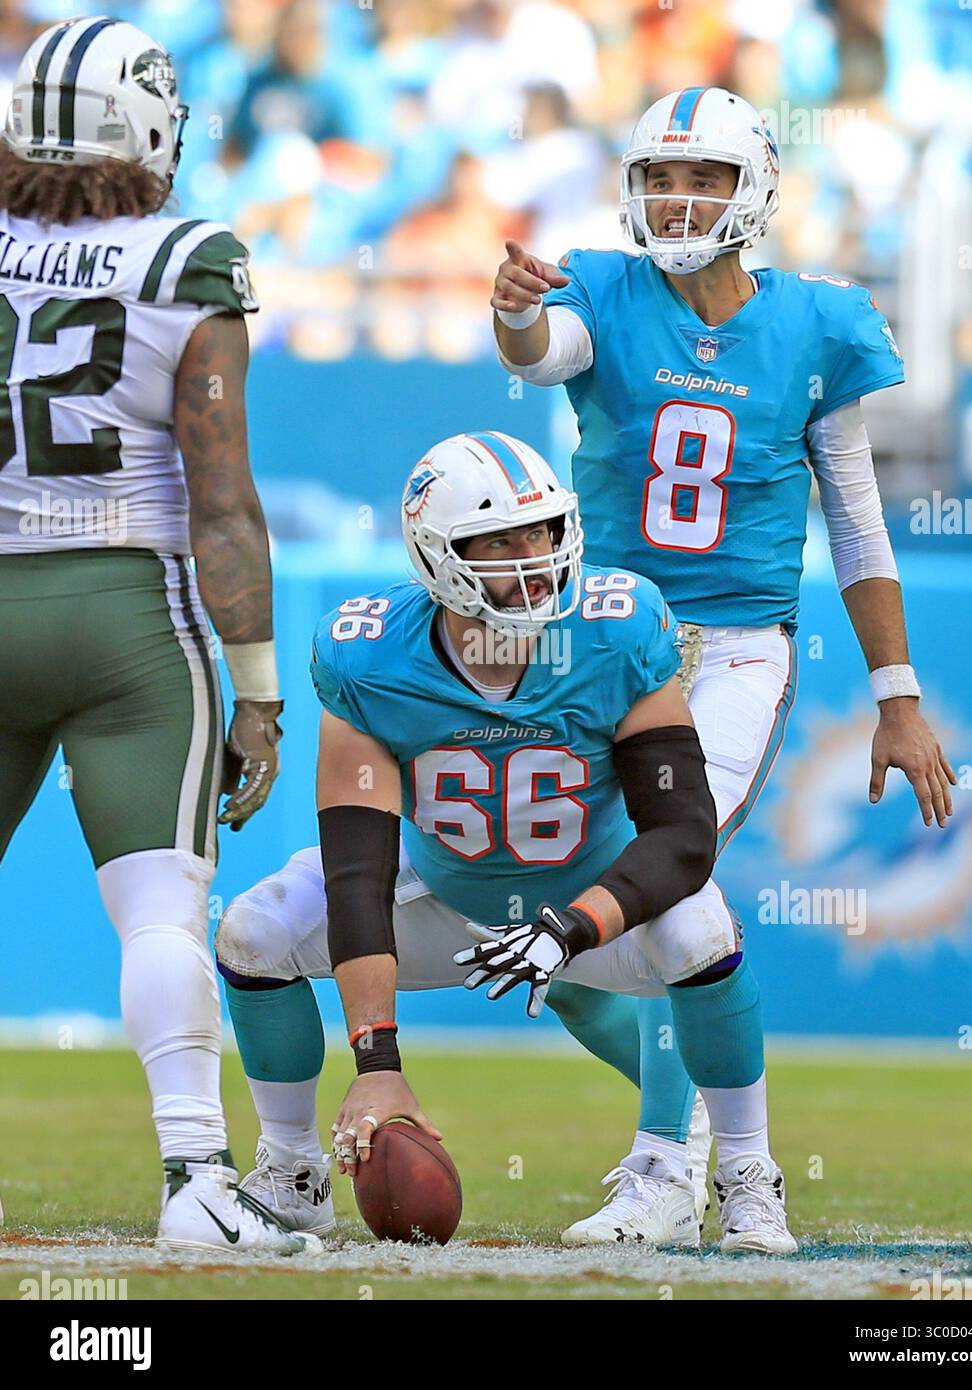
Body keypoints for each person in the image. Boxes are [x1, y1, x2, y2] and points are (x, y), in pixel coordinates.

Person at [491, 85, 955, 1245]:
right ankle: (694, 1135)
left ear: (751, 191)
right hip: (597, 640)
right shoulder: (602, 287)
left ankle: (677, 1165)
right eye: (657, 177)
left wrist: (896, 696)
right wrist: (509, 315)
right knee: (556, 929)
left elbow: (854, 523)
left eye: (699, 176)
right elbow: (542, 352)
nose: (676, 197)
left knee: (664, 873)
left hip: (734, 649)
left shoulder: (814, 322)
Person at [215, 430, 798, 1254]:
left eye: (544, 532)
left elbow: (682, 837)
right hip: (444, 891)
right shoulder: (369, 653)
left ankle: (742, 1176)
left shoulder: (618, 627)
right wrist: (377, 1066)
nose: (533, 558)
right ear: (435, 554)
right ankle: (292, 1169)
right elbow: (357, 872)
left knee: (700, 927)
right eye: (499, 541)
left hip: (587, 909)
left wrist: (571, 928)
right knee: (253, 929)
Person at [0, 16, 316, 1256]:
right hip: (129, 611)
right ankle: (194, 1178)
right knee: (158, 913)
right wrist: (259, 693)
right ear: (150, 125)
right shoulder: (190, 258)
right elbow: (223, 501)